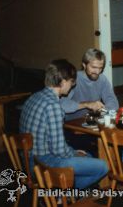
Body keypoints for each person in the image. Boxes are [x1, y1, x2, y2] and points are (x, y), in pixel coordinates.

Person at [19, 59, 108, 189]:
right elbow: (59, 150)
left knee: (86, 155)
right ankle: (64, 192)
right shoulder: (53, 106)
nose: (72, 85)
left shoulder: (35, 97)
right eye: (72, 82)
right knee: (103, 166)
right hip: (43, 165)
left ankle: (64, 190)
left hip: (28, 161)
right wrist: (74, 153)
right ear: (63, 82)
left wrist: (74, 152)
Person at [61, 48, 119, 120]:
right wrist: (86, 104)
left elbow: (113, 101)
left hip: (93, 121)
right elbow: (62, 104)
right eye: (94, 67)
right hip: (73, 123)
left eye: (100, 68)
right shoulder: (74, 79)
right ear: (84, 65)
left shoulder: (102, 79)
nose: (97, 72)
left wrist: (105, 110)